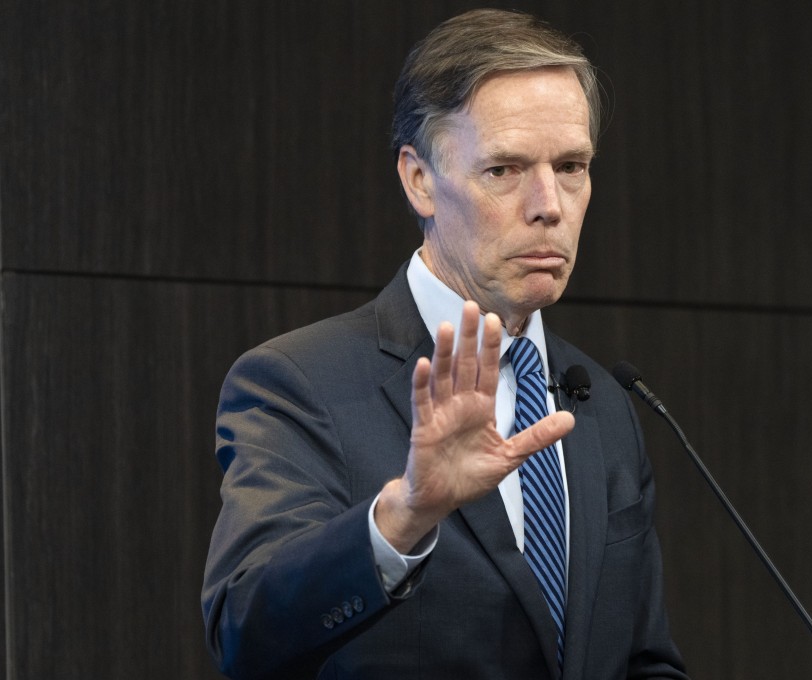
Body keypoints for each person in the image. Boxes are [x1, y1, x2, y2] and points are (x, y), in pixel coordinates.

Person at [202, 8, 689, 680]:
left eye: (572, 166)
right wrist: (403, 517)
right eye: (504, 170)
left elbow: (642, 659)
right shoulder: (299, 383)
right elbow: (242, 629)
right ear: (419, 179)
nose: (550, 204)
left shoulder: (600, 400)